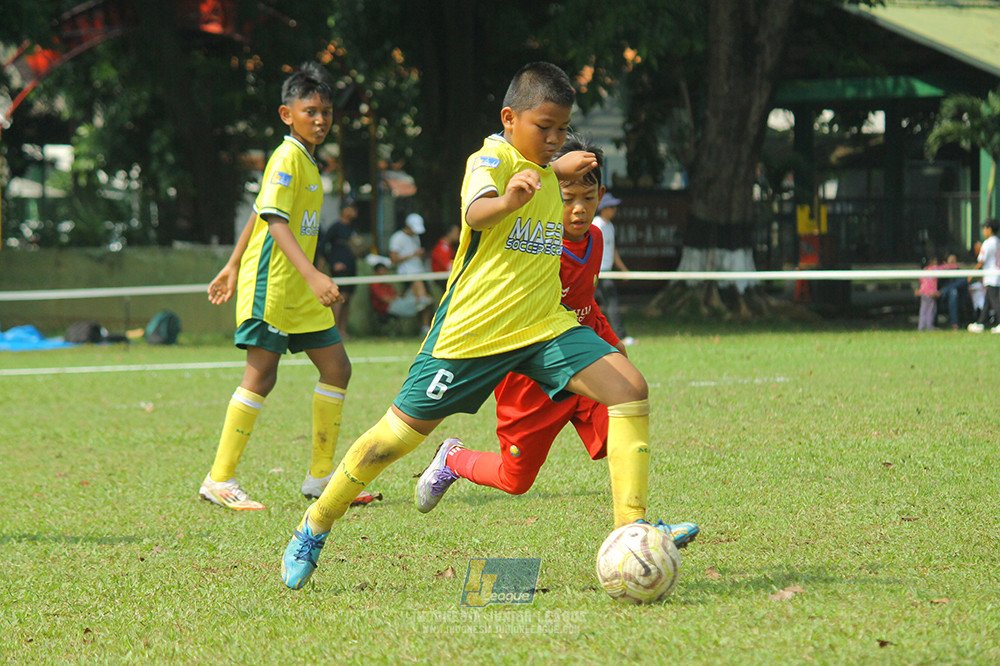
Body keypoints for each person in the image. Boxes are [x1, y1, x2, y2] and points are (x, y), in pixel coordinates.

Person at [281, 61, 696, 590]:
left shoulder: (548, 170)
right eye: (543, 126)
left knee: (630, 389)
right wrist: (510, 198)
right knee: (392, 441)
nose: (553, 138)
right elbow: (477, 212)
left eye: (561, 128)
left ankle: (630, 532)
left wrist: (560, 169)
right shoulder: (493, 157)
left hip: (544, 328)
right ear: (509, 118)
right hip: (470, 336)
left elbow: (557, 176)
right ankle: (314, 525)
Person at [412, 134, 699, 547]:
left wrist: (610, 340)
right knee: (516, 479)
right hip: (530, 374)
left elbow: (584, 303)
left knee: (623, 412)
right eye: (567, 199)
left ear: (601, 194)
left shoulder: (596, 241)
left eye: (588, 197)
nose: (578, 209)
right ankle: (453, 460)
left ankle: (634, 528)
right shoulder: (535, 246)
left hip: (580, 359)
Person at [200, 62, 356, 511]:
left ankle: (320, 479)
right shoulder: (287, 156)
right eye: (311, 111)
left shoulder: (307, 160)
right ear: (287, 114)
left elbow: (257, 210)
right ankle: (219, 479)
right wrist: (312, 273)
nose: (321, 120)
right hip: (273, 285)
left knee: (337, 368)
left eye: (326, 111)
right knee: (261, 376)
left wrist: (230, 264)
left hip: (299, 291)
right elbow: (273, 217)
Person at [592, 191, 635, 346]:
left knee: (600, 304)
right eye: (610, 207)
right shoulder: (597, 225)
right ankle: (621, 336)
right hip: (598, 273)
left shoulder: (610, 227)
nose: (614, 210)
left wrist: (623, 270)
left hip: (606, 272)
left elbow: (613, 250)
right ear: (602, 208)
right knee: (611, 304)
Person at [316, 202, 360, 339]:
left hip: (351, 266)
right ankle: (334, 331)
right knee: (340, 298)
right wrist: (333, 263)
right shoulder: (335, 227)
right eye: (351, 208)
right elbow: (323, 246)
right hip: (340, 269)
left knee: (348, 299)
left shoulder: (351, 228)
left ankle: (343, 330)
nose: (354, 211)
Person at [389, 213, 433, 334]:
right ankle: (421, 299)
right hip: (406, 274)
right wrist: (413, 255)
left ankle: (425, 328)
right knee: (419, 288)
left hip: (419, 271)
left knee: (428, 301)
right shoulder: (397, 238)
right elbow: (393, 259)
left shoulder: (416, 237)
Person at [968, 219, 1000, 332]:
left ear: (989, 229)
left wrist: (972, 274)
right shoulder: (998, 241)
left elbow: (981, 261)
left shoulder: (987, 243)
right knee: (988, 300)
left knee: (995, 300)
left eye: (985, 229)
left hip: (991, 275)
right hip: (996, 274)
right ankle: (980, 323)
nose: (983, 231)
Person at [935, 253, 966, 329]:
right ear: (945, 263)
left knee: (953, 292)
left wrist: (944, 291)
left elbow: (963, 281)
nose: (954, 264)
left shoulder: (960, 273)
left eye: (955, 261)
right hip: (942, 300)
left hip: (959, 299)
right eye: (952, 262)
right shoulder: (941, 274)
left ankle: (954, 324)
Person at [915, 255, 942, 332]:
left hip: (923, 292)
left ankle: (921, 327)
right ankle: (929, 326)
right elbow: (944, 268)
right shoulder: (934, 269)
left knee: (923, 310)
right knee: (930, 310)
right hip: (930, 293)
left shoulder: (924, 270)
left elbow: (921, 281)